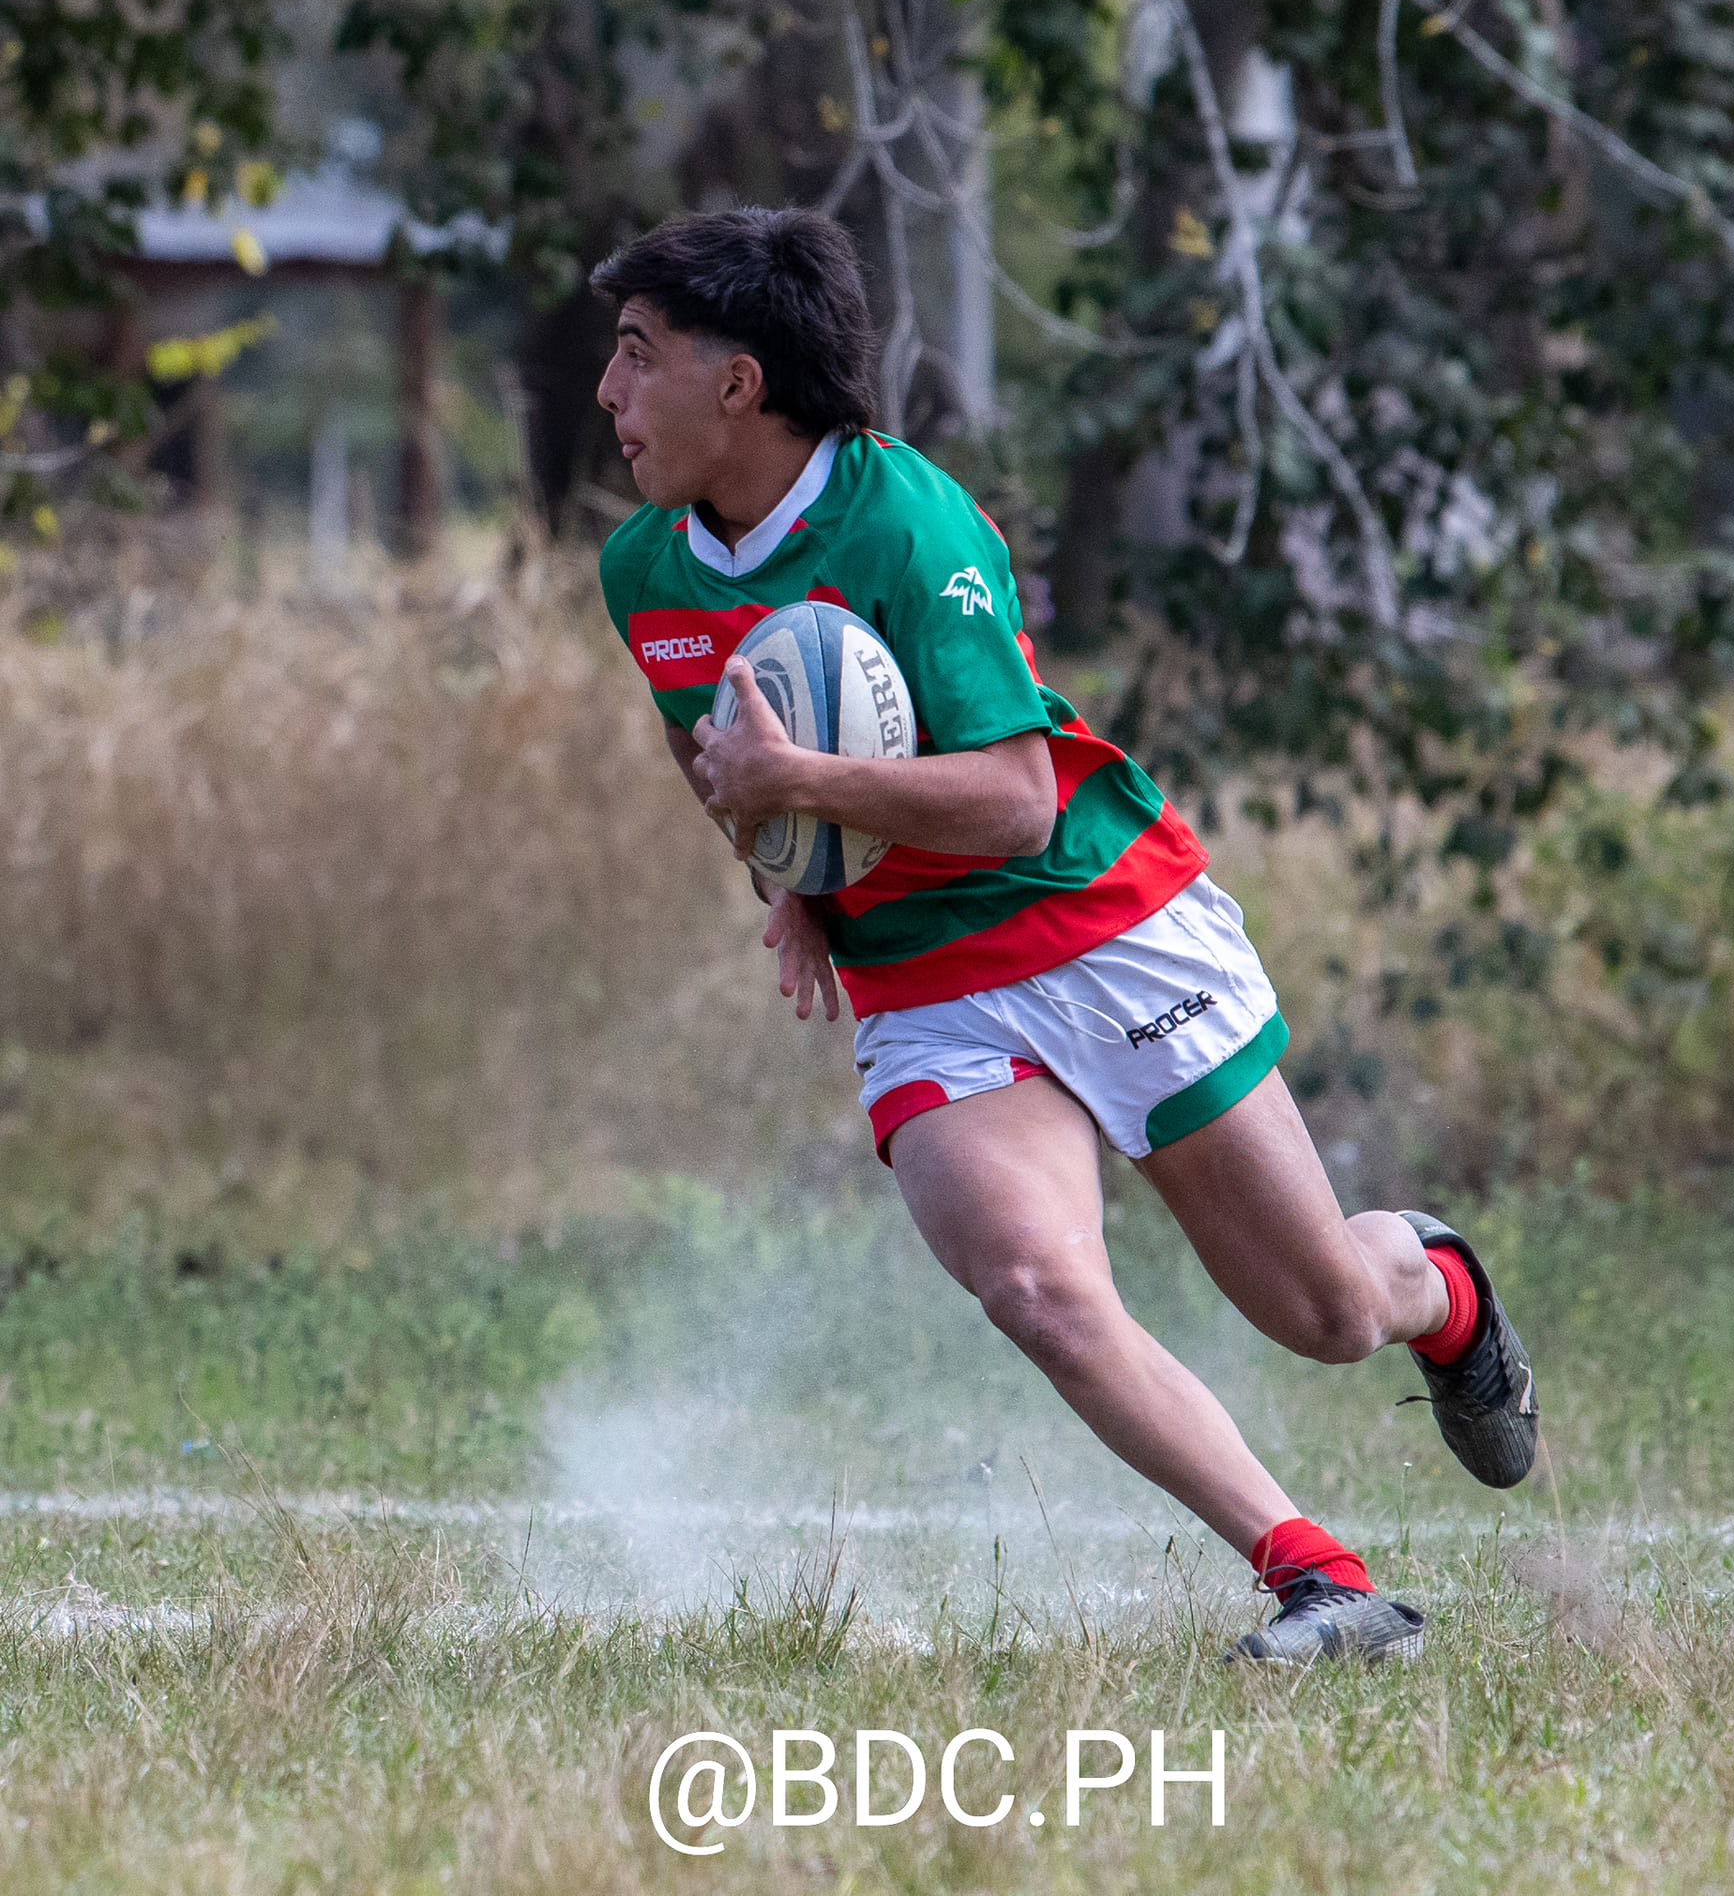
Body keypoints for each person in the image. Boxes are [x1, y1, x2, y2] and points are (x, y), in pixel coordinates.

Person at [592, 204, 1538, 1664]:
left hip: (1104, 928)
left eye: (639, 354)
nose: (606, 390)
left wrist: (807, 788)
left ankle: (1438, 1287)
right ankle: (1322, 1583)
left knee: (1325, 1313)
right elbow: (722, 761)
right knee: (1035, 1286)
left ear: (740, 382)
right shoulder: (644, 570)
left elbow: (1019, 802)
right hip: (927, 983)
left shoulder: (908, 524)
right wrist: (788, 865)